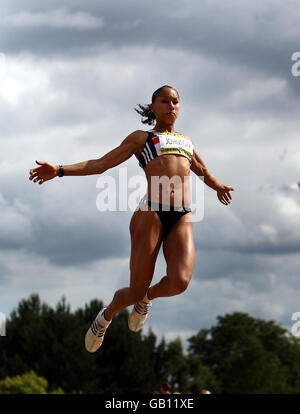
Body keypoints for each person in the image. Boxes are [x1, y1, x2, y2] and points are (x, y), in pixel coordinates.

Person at [29, 85, 235, 353]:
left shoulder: (187, 142)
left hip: (182, 215)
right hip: (150, 214)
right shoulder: (142, 139)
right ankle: (105, 318)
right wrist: (59, 170)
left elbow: (203, 171)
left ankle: (146, 300)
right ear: (153, 107)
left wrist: (218, 186)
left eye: (175, 102)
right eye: (164, 101)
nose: (171, 106)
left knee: (179, 282)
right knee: (135, 289)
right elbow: (100, 164)